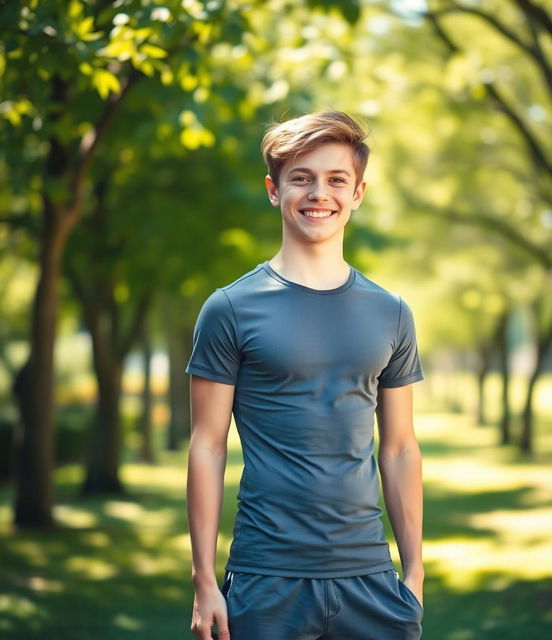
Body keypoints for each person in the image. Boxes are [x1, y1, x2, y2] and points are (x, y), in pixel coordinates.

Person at [186, 110, 425, 640]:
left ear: (358, 192)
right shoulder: (229, 309)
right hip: (265, 577)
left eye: (336, 179)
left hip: (372, 580)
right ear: (274, 190)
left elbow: (401, 448)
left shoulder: (392, 312)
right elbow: (206, 445)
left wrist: (414, 574)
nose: (320, 193)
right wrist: (204, 580)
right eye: (302, 178)